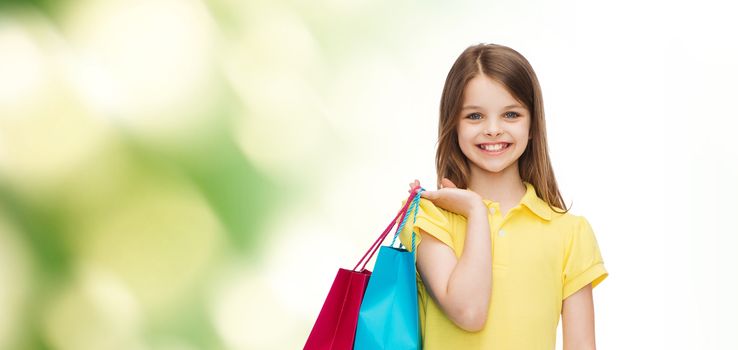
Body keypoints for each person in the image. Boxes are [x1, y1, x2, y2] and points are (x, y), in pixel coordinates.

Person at [397, 43, 608, 349]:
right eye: (474, 116)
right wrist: (476, 211)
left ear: (533, 124)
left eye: (511, 114)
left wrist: (473, 210)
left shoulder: (571, 233)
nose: (493, 129)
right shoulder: (429, 218)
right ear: (453, 124)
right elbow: (468, 311)